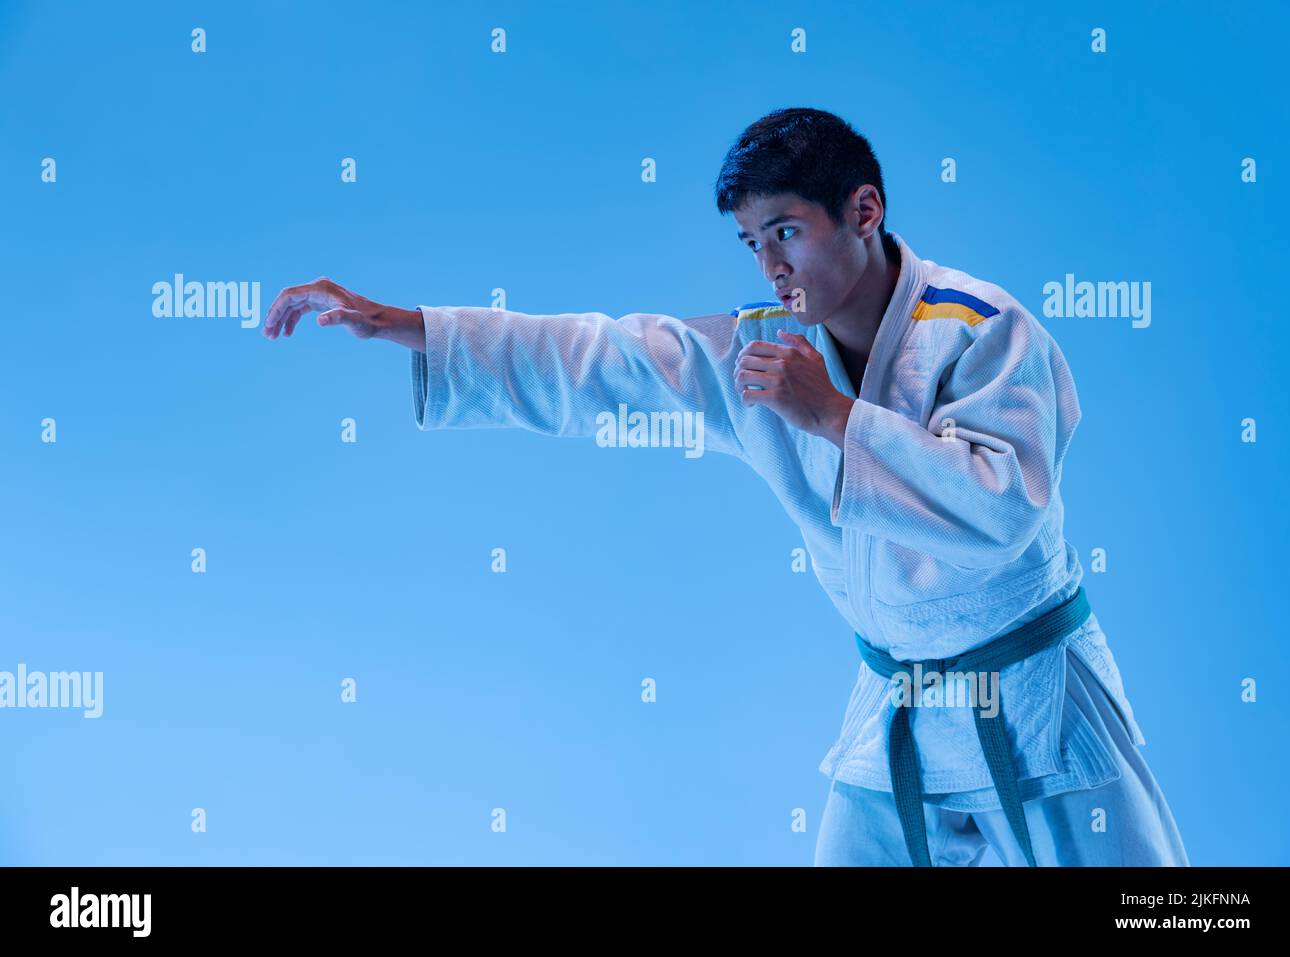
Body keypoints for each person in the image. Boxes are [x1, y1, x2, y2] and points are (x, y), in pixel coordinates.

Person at [262, 107, 1189, 867]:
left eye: (787, 230)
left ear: (865, 210)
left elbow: (1000, 506)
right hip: (898, 709)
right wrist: (410, 326)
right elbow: (603, 359)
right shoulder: (762, 351)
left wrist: (832, 416)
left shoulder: (987, 331)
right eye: (752, 242)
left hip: (1033, 694)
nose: (771, 265)